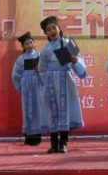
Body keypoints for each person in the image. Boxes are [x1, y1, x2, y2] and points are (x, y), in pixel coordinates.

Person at [38, 16, 86, 153]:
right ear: (46, 33)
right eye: (48, 29)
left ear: (59, 28)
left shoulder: (69, 43)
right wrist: (45, 83)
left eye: (54, 27)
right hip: (51, 82)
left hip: (65, 79)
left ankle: (63, 143)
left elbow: (80, 63)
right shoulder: (45, 48)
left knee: (66, 111)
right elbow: (42, 68)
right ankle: (53, 144)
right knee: (53, 112)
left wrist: (75, 61)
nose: (52, 31)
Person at [12, 31, 48, 146]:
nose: (29, 45)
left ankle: (37, 136)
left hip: (37, 85)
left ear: (34, 43)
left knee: (38, 110)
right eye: (26, 44)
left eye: (30, 43)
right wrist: (21, 85)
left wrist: (39, 71)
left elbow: (45, 70)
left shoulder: (39, 56)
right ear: (23, 46)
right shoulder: (20, 59)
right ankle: (28, 136)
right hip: (27, 86)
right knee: (27, 110)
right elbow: (15, 74)